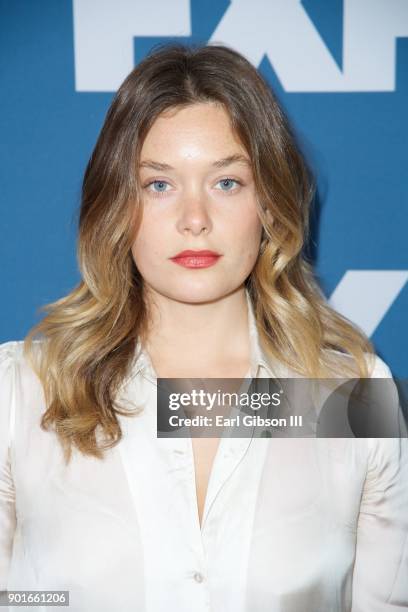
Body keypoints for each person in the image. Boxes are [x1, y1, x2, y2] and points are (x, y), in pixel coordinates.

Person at [0, 42, 407, 612]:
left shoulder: (352, 397)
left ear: (269, 202)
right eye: (159, 185)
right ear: (117, 202)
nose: (195, 220)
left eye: (226, 183)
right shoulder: (21, 394)